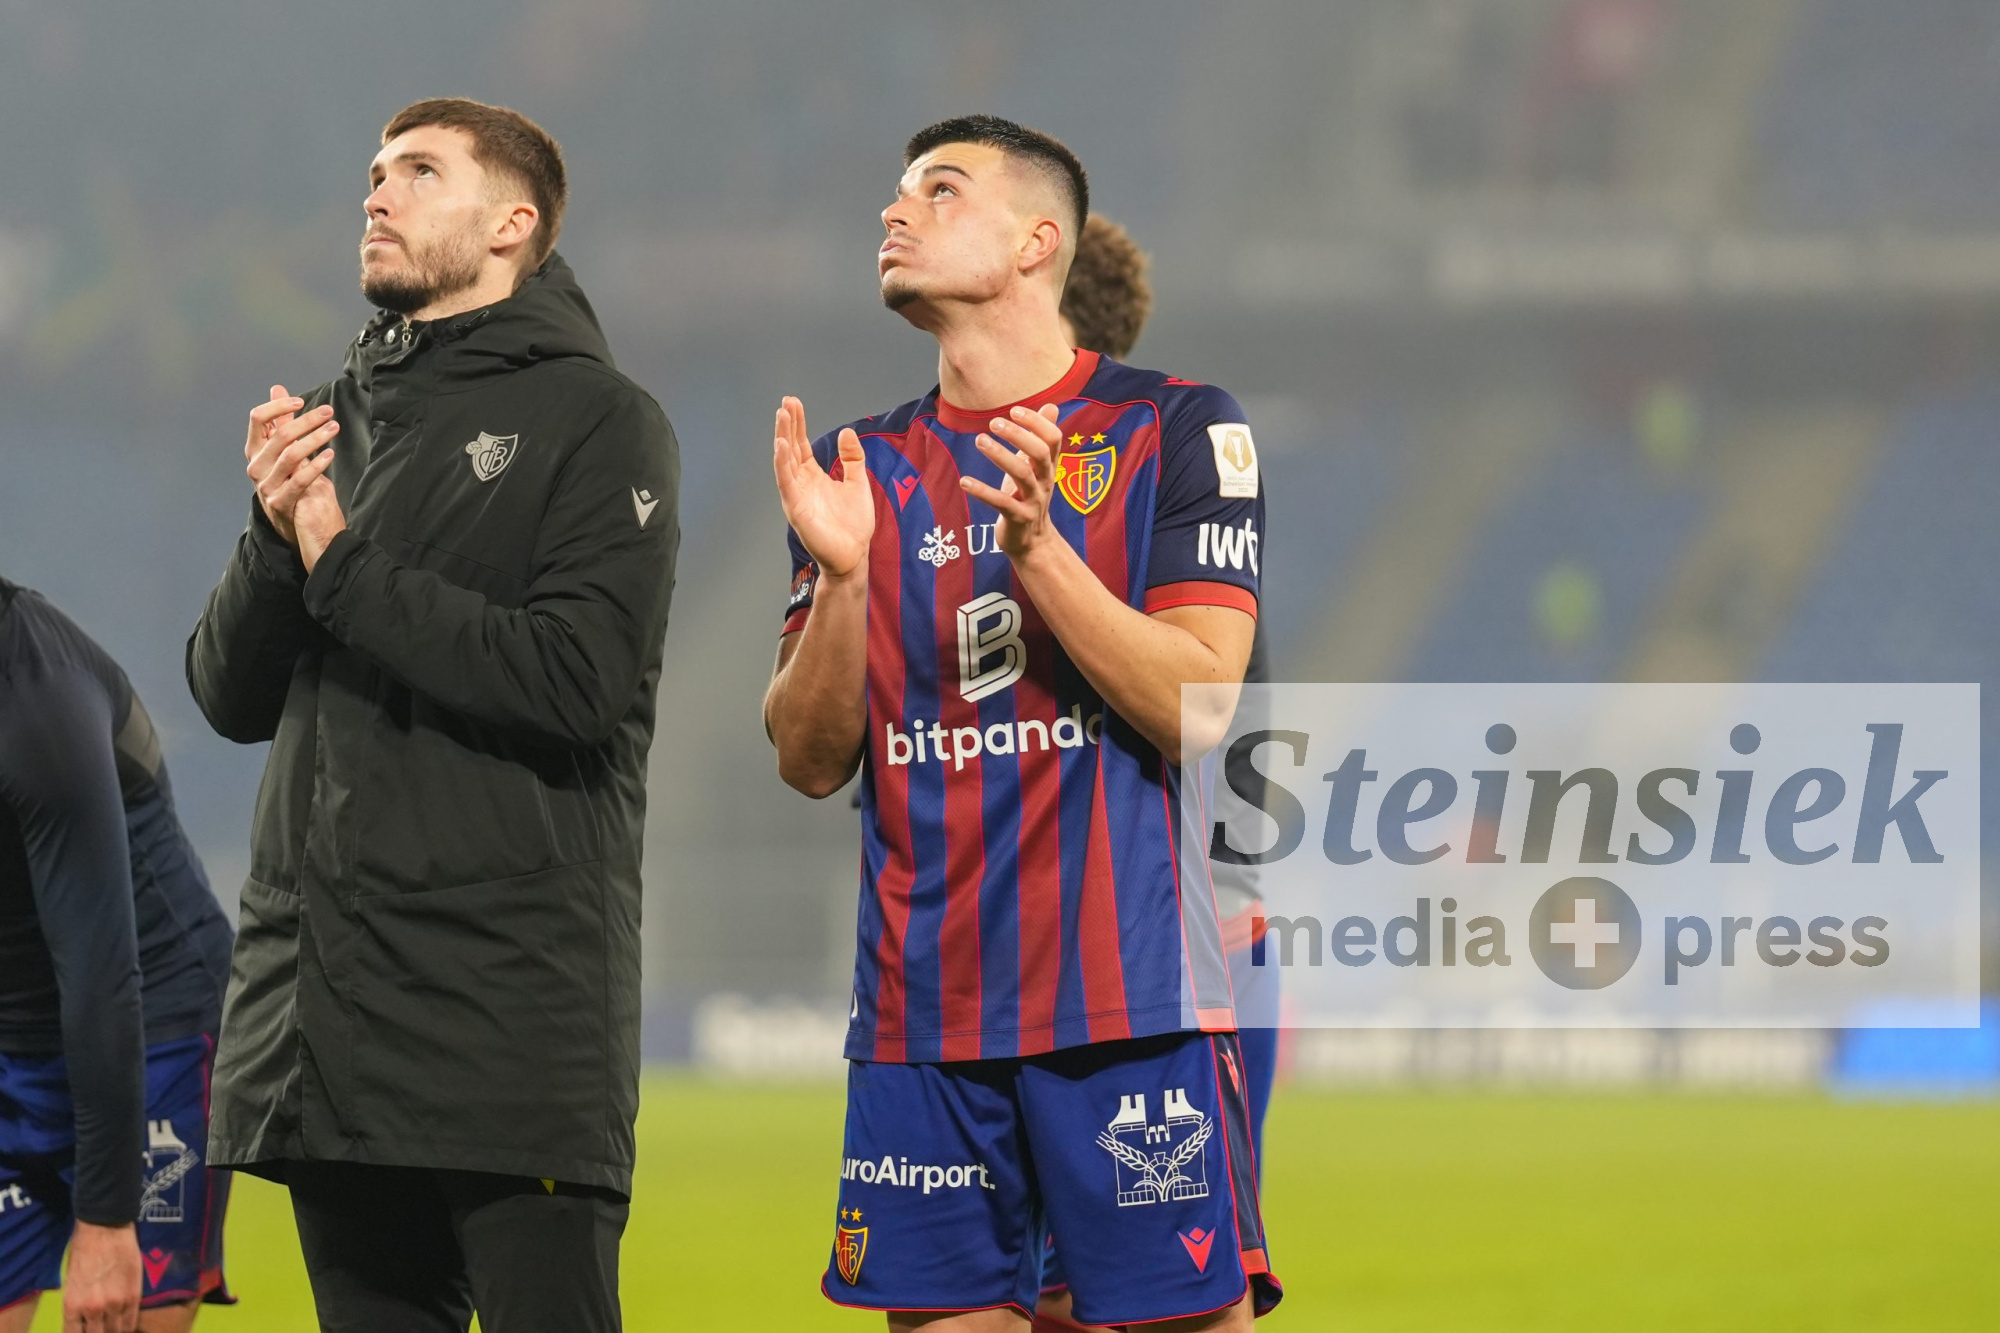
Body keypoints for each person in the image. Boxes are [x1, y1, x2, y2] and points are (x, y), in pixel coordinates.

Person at [766, 116, 1280, 1331]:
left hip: (1129, 1004)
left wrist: (1041, 553)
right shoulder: (858, 465)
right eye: (897, 193)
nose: (895, 212)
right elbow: (807, 758)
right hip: (920, 1019)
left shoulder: (1176, 428)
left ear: (1036, 242)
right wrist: (842, 579)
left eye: (939, 191)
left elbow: (1198, 705)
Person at [185, 97, 679, 1333]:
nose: (377, 193)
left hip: (510, 1025)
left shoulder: (602, 420)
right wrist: (275, 535)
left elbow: (575, 680)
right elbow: (228, 696)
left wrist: (337, 557)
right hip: (327, 1024)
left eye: (417, 170)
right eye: (373, 172)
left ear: (512, 224)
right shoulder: (331, 418)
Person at [1033, 216, 1282, 1333]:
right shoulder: (1180, 514)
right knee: (1131, 1286)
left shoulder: (1139, 491)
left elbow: (1203, 722)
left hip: (1160, 954)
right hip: (1214, 932)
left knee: (1128, 1292)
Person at [0, 578, 236, 1333]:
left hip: (150, 1034)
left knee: (117, 1318)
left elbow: (100, 975)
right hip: (11, 1044)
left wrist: (107, 1220)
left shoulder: (35, 699)